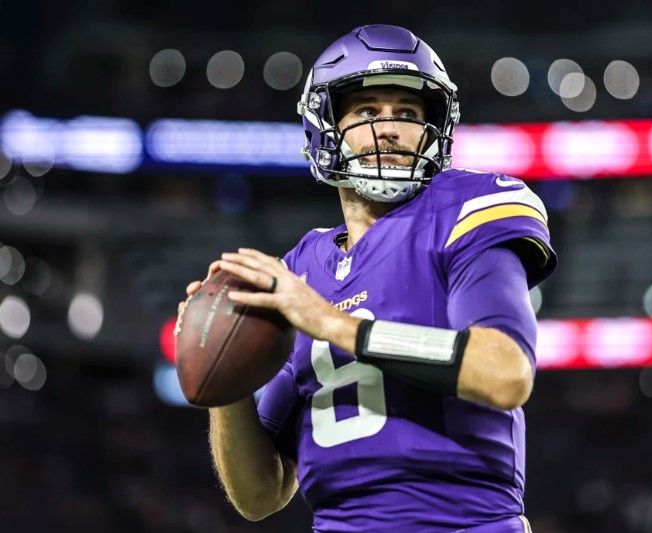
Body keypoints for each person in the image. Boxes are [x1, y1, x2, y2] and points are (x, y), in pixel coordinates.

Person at [178, 24, 557, 533]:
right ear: (325, 127)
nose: (391, 129)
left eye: (407, 113)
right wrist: (225, 379)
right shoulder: (299, 267)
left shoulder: (467, 208)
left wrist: (333, 324)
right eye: (366, 112)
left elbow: (506, 373)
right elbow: (260, 494)